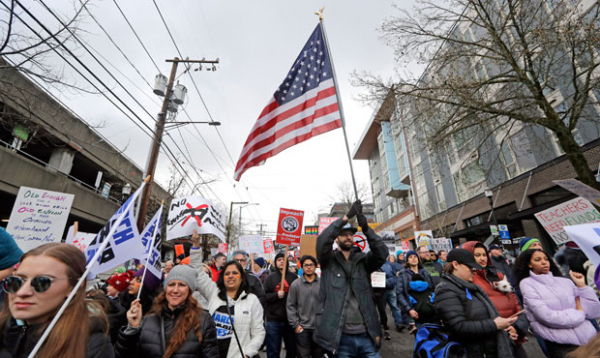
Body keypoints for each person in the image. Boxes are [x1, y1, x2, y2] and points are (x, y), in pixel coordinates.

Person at [0, 243, 114, 358]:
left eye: (42, 282)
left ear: (75, 287)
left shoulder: (92, 346)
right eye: (16, 280)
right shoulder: (4, 329)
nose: (22, 292)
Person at [314, 200, 388, 357]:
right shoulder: (328, 262)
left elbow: (382, 252)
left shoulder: (364, 261)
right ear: (336, 238)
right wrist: (347, 217)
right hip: (341, 338)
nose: (348, 237)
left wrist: (367, 230)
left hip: (367, 334)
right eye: (344, 234)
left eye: (350, 234)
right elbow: (322, 241)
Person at [115, 265, 218, 358]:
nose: (175, 290)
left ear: (190, 290)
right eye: (171, 284)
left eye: (182, 285)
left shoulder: (203, 321)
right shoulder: (149, 318)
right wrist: (132, 329)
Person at [514, 249, 600, 358]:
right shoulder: (527, 284)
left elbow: (594, 311)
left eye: (546, 259)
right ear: (529, 264)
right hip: (560, 344)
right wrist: (579, 313)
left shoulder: (566, 282)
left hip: (588, 340)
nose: (544, 262)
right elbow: (547, 316)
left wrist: (582, 286)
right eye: (537, 259)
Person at [190, 235, 265, 358]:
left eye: (235, 273)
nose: (231, 276)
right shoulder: (213, 292)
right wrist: (196, 247)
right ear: (222, 277)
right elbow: (197, 271)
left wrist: (247, 354)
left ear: (241, 278)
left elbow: (259, 333)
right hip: (213, 354)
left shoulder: (252, 300)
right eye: (227, 273)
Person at [434, 248, 517, 358]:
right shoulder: (445, 290)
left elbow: (480, 316)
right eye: (471, 267)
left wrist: (503, 329)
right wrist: (494, 325)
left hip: (487, 349)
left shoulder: (470, 288)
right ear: (455, 265)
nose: (474, 271)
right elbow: (457, 326)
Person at [463, 241, 528, 357]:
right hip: (492, 340)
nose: (482, 258)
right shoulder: (468, 280)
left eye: (484, 255)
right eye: (477, 255)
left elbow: (515, 302)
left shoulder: (499, 276)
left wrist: (515, 327)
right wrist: (500, 328)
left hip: (513, 335)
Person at [286, 255, 325, 358]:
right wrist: (296, 325)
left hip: (319, 328)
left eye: (311, 265)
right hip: (302, 328)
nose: (308, 267)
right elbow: (290, 305)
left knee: (318, 355)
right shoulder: (296, 285)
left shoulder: (323, 284)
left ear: (315, 266)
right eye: (306, 265)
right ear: (302, 267)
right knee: (303, 355)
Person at [263, 252, 298, 358]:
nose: (282, 261)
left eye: (284, 259)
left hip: (290, 320)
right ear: (275, 263)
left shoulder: (294, 277)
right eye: (279, 260)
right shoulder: (270, 278)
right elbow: (264, 297)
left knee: (292, 350)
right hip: (273, 320)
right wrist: (276, 295)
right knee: (273, 351)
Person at [396, 250, 434, 334]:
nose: (413, 259)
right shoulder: (403, 275)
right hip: (413, 311)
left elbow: (431, 289)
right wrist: (409, 309)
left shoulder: (425, 273)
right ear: (407, 260)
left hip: (427, 309)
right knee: (420, 337)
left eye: (415, 257)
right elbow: (400, 294)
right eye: (410, 257)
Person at [380, 257, 404, 333]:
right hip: (380, 291)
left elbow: (395, 277)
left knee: (394, 306)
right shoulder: (374, 265)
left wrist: (385, 282)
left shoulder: (390, 265)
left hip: (390, 289)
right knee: (381, 309)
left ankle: (399, 323)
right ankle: (383, 324)